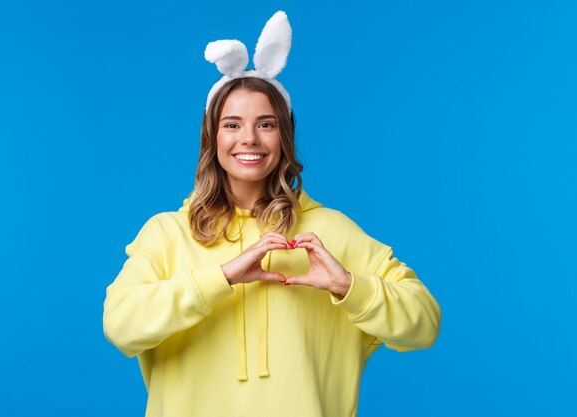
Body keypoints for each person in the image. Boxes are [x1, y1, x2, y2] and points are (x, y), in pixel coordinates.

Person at [103, 11, 440, 417]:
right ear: (213, 137)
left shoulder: (330, 231)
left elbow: (424, 323)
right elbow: (120, 327)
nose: (249, 138)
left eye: (266, 124)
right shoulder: (167, 233)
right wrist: (221, 277)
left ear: (285, 136)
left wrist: (348, 286)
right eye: (232, 124)